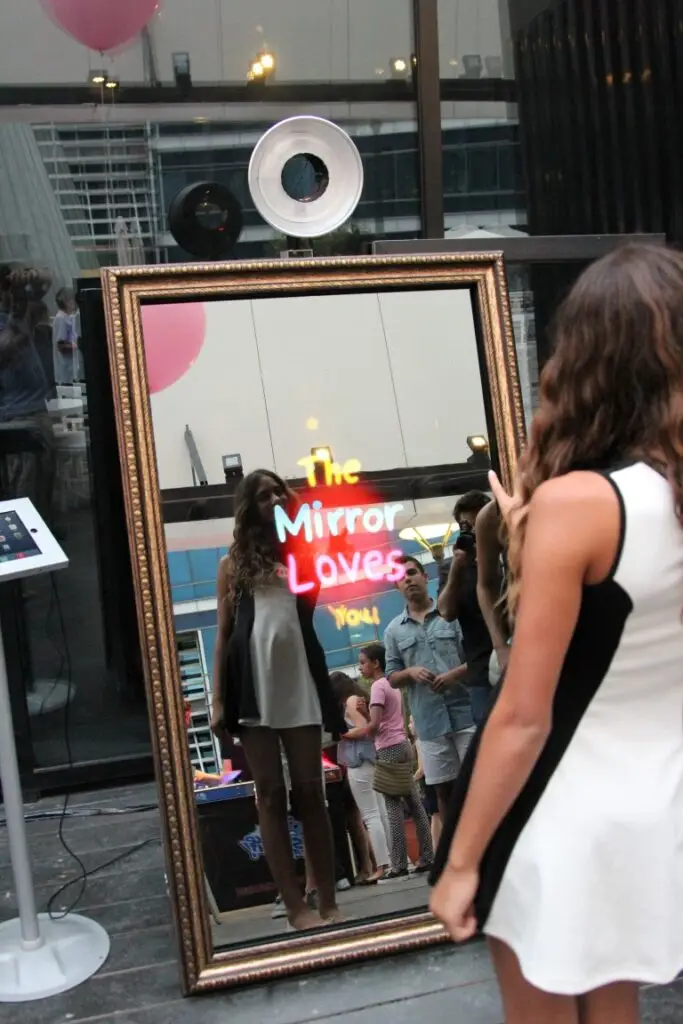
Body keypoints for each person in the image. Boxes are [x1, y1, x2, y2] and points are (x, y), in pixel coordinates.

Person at [429, 243, 683, 1024]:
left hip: (554, 804)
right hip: (645, 798)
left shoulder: (579, 505)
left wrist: (461, 861)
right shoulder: (654, 493)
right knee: (612, 1004)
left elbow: (524, 712)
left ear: (582, 358)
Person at [210, 469, 345, 931]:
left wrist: (300, 524)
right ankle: (294, 907)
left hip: (297, 677)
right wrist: (217, 699)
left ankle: (326, 896)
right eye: (263, 495)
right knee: (269, 794)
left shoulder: (302, 555)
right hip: (252, 682)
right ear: (249, 504)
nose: (272, 500)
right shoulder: (232, 564)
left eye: (277, 493)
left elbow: (309, 606)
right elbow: (224, 633)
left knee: (311, 791)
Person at [385, 555, 473, 821]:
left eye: (412, 572)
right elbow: (391, 677)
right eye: (401, 577)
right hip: (429, 723)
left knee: (478, 784)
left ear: (425, 576)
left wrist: (453, 675)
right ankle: (451, 853)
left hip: (466, 713)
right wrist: (409, 672)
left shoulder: (452, 616)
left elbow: (476, 659)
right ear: (396, 587)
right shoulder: (393, 631)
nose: (408, 579)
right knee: (444, 792)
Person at [346, 642, 433, 879]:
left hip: (387, 749)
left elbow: (374, 727)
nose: (361, 666)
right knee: (415, 805)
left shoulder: (377, 688)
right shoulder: (393, 685)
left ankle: (398, 864)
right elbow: (394, 719)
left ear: (376, 663)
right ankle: (427, 855)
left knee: (393, 809)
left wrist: (358, 726)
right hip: (403, 744)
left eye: (363, 662)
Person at [438, 491, 499, 724]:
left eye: (478, 523)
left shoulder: (507, 554)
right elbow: (445, 612)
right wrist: (457, 568)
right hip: (481, 670)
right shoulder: (453, 567)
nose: (474, 531)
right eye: (466, 526)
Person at [329, 670, 390, 882]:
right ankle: (391, 861)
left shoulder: (350, 702)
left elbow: (363, 728)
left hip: (359, 762)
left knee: (371, 816)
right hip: (372, 760)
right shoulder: (360, 699)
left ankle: (383, 864)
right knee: (381, 813)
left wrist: (343, 734)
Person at [52, 287, 80, 385]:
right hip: (66, 369)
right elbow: (61, 344)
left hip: (71, 368)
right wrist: (77, 347)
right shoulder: (61, 319)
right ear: (66, 302)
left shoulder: (68, 317)